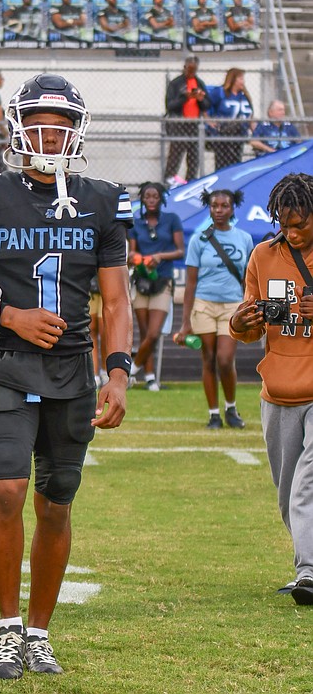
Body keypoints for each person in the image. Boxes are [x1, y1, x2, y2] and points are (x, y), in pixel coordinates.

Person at [0, 73, 132, 680]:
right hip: (6, 364)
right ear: (19, 127)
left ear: (78, 129)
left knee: (55, 504)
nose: (53, 133)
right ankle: (7, 627)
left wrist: (119, 373)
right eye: (41, 122)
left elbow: (117, 301)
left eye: (63, 123)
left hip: (73, 368)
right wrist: (11, 314)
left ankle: (39, 632)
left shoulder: (101, 198)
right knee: (8, 490)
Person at [229, 173, 313, 605]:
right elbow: (247, 322)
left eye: (301, 224)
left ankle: (308, 571)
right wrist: (239, 326)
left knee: (306, 485)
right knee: (288, 497)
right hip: (277, 390)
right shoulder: (263, 254)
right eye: (285, 224)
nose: (292, 233)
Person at [173, 189, 252, 429]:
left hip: (232, 305)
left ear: (232, 208)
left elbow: (249, 279)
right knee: (208, 359)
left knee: (225, 360)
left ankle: (231, 408)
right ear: (208, 208)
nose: (219, 210)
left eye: (224, 206)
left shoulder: (245, 238)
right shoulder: (199, 239)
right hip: (204, 304)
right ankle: (214, 414)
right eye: (214, 206)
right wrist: (185, 322)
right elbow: (191, 283)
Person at [127, 182, 184, 391]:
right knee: (144, 334)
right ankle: (150, 377)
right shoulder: (136, 224)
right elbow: (132, 254)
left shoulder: (171, 220)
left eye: (155, 196)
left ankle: (131, 371)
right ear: (142, 199)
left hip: (163, 280)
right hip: (142, 281)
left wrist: (159, 256)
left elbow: (180, 251)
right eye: (147, 196)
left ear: (161, 199)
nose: (151, 200)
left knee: (153, 333)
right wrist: (134, 257)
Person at [163, 55, 208, 186]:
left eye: (194, 70)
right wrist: (185, 97)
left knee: (193, 156)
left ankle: (191, 182)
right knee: (175, 154)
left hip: (194, 124)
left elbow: (207, 104)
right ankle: (169, 181)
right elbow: (170, 105)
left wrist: (200, 99)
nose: (190, 72)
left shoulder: (199, 83)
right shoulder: (176, 83)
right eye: (189, 69)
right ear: (184, 67)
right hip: (179, 124)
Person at [205, 67, 253, 171]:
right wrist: (209, 121)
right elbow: (204, 106)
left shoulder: (244, 96)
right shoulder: (220, 93)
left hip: (239, 136)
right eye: (240, 78)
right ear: (233, 79)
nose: (243, 82)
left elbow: (249, 113)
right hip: (223, 136)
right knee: (222, 166)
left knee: (236, 165)